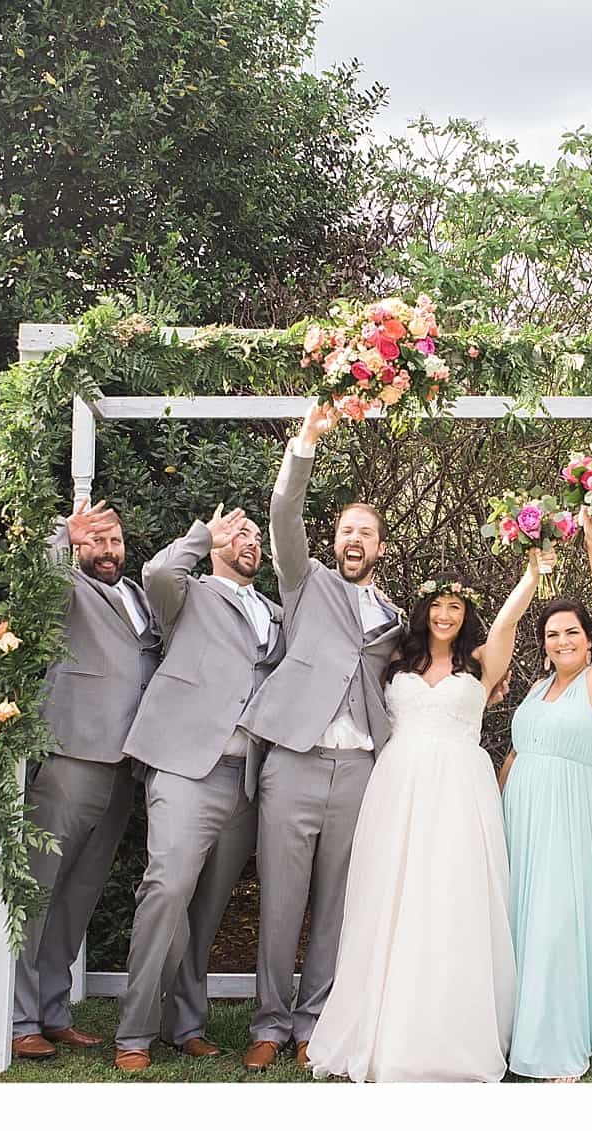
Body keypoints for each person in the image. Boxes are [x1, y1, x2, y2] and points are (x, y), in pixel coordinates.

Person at [307, 562, 542, 1083]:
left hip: (460, 786)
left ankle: (454, 1031)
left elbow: (506, 624)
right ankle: (385, 1023)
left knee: (453, 895)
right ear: (422, 612)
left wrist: (531, 573)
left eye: (455, 606)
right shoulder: (396, 660)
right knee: (392, 894)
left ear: (465, 615)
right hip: (400, 784)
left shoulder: (482, 663)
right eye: (437, 605)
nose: (444, 614)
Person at [241, 400, 407, 1063]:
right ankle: (267, 1025)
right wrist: (305, 441)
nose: (355, 539)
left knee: (338, 904)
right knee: (280, 902)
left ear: (381, 546)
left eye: (366, 531)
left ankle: (313, 1024)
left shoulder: (396, 616)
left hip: (361, 768)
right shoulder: (303, 581)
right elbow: (283, 511)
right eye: (346, 529)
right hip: (296, 759)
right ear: (332, 539)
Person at [112, 505, 283, 1073]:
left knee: (208, 911)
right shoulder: (186, 595)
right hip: (187, 768)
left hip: (247, 778)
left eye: (257, 536)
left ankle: (186, 1024)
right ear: (216, 543)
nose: (250, 542)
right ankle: (135, 1032)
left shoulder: (278, 614)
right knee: (165, 890)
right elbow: (159, 574)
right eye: (240, 534)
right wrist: (201, 534)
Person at [500, 512, 592, 1080]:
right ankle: (510, 1030)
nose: (561, 640)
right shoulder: (538, 689)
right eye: (552, 634)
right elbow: (514, 754)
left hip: (571, 814)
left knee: (558, 921)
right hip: (522, 815)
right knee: (518, 919)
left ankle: (555, 1043)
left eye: (572, 632)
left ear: (590, 643)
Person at [8, 497, 160, 1058]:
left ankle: (52, 1010)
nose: (107, 550)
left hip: (126, 764)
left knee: (78, 897)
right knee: (39, 891)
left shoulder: (139, 597)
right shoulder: (67, 588)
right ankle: (20, 1018)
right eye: (96, 540)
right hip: (73, 755)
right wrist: (60, 536)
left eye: (114, 540)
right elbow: (32, 587)